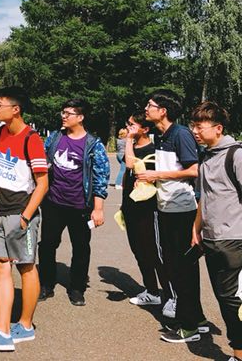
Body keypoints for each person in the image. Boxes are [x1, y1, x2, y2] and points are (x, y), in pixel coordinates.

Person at [0, 86, 48, 353]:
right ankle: (3, 331)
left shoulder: (32, 139)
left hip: (21, 213)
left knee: (26, 266)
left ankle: (25, 325)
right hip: (0, 210)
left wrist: (26, 217)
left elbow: (42, 184)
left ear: (15, 109)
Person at [139, 89, 206, 343]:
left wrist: (156, 175)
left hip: (182, 210)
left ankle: (188, 327)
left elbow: (194, 170)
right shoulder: (160, 135)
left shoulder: (180, 134)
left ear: (163, 111)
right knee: (178, 267)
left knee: (181, 269)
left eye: (150, 105)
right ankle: (197, 320)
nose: (146, 109)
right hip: (167, 207)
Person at [38, 98, 110, 307]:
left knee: (80, 247)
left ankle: (77, 288)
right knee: (48, 244)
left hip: (80, 206)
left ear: (80, 117)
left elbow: (101, 177)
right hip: (53, 202)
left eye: (68, 113)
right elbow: (41, 161)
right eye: (63, 112)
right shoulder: (54, 138)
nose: (64, 116)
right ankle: (46, 283)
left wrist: (98, 209)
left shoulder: (93, 144)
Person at [190, 101, 242, 361]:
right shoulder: (206, 156)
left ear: (218, 128)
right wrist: (196, 228)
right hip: (211, 239)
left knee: (233, 300)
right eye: (193, 126)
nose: (195, 131)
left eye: (200, 127)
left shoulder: (236, 155)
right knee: (225, 298)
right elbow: (205, 196)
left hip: (234, 239)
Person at [121, 111, 171, 308]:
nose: (128, 128)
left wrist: (128, 140)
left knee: (154, 253)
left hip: (147, 209)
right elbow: (126, 175)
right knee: (138, 252)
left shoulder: (153, 150)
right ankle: (151, 291)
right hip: (130, 207)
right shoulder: (132, 147)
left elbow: (130, 164)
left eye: (133, 125)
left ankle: (169, 295)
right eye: (128, 124)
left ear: (145, 129)